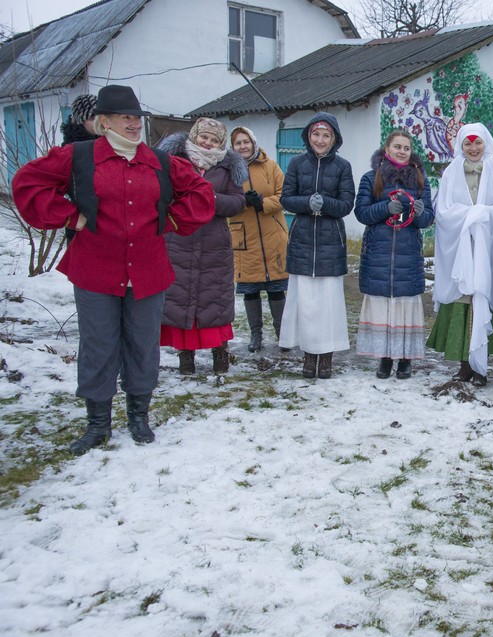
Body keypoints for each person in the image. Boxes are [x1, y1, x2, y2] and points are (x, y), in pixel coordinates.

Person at [11, 85, 215, 455]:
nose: (133, 123)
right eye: (125, 117)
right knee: (99, 345)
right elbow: (27, 183)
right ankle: (98, 425)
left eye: (137, 117)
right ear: (103, 122)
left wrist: (169, 219)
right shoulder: (78, 157)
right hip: (95, 269)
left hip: (148, 270)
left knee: (142, 344)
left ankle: (139, 417)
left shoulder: (161, 162)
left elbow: (201, 195)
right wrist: (70, 216)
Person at [426, 123, 493, 386]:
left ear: (486, 143)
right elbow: (443, 211)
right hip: (460, 254)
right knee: (463, 302)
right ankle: (465, 365)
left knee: (483, 300)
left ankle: (482, 366)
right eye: (468, 143)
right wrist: (467, 217)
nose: (473, 148)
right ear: (461, 146)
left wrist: (485, 214)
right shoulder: (451, 172)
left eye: (478, 143)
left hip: (488, 251)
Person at [158, 118, 247, 375]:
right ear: (194, 136)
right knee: (181, 298)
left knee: (214, 298)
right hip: (179, 240)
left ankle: (220, 351)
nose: (208, 143)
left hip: (214, 242)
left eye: (214, 140)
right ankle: (186, 356)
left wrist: (208, 198)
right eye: (204, 137)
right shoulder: (175, 162)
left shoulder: (227, 169)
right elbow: (163, 196)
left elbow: (237, 202)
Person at [279, 113, 355, 379]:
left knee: (328, 305)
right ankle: (309, 357)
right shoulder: (297, 164)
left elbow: (347, 204)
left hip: (330, 242)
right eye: (315, 134)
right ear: (308, 136)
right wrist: (306, 202)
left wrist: (326, 205)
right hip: (302, 241)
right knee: (307, 305)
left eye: (326, 135)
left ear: (334, 139)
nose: (320, 140)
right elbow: (286, 198)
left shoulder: (343, 167)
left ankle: (327, 358)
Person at [354, 130, 434, 379]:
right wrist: (384, 208)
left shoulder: (420, 181)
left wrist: (420, 212)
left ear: (411, 153)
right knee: (383, 308)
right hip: (378, 253)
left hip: (407, 255)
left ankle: (406, 359)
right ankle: (385, 359)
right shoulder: (371, 178)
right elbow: (361, 213)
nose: (401, 151)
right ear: (386, 150)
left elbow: (428, 219)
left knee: (404, 308)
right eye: (397, 147)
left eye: (406, 148)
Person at [229, 126, 289, 353]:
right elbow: (223, 198)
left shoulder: (270, 166)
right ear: (233, 147)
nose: (243, 146)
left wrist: (262, 203)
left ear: (254, 143)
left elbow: (285, 195)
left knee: (276, 287)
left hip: (272, 234)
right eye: (238, 143)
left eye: (246, 142)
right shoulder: (228, 170)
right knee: (250, 289)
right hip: (244, 237)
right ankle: (256, 335)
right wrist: (241, 201)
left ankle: (282, 333)